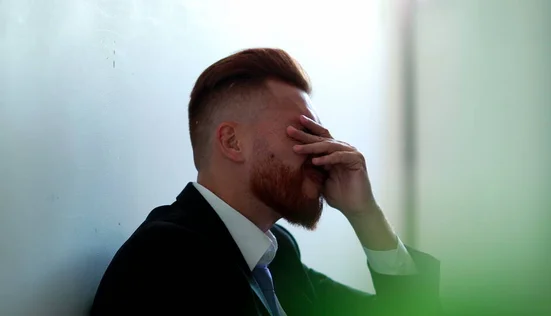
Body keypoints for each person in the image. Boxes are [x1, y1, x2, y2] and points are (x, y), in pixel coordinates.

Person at [90, 48, 440, 316]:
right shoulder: (168, 259)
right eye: (303, 132)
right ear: (232, 143)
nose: (321, 151)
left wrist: (366, 215)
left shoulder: (275, 253)